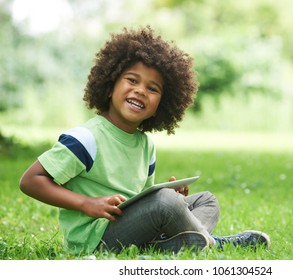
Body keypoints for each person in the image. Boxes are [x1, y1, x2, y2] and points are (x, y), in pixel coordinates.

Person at [19, 26, 270, 255]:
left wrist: (174, 198)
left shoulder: (146, 146)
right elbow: (31, 181)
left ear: (161, 105)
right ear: (109, 85)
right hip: (96, 238)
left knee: (206, 200)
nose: (140, 90)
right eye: (132, 80)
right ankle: (214, 243)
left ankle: (179, 245)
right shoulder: (86, 138)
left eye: (153, 89)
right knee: (165, 203)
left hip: (133, 229)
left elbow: (142, 199)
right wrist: (87, 203)